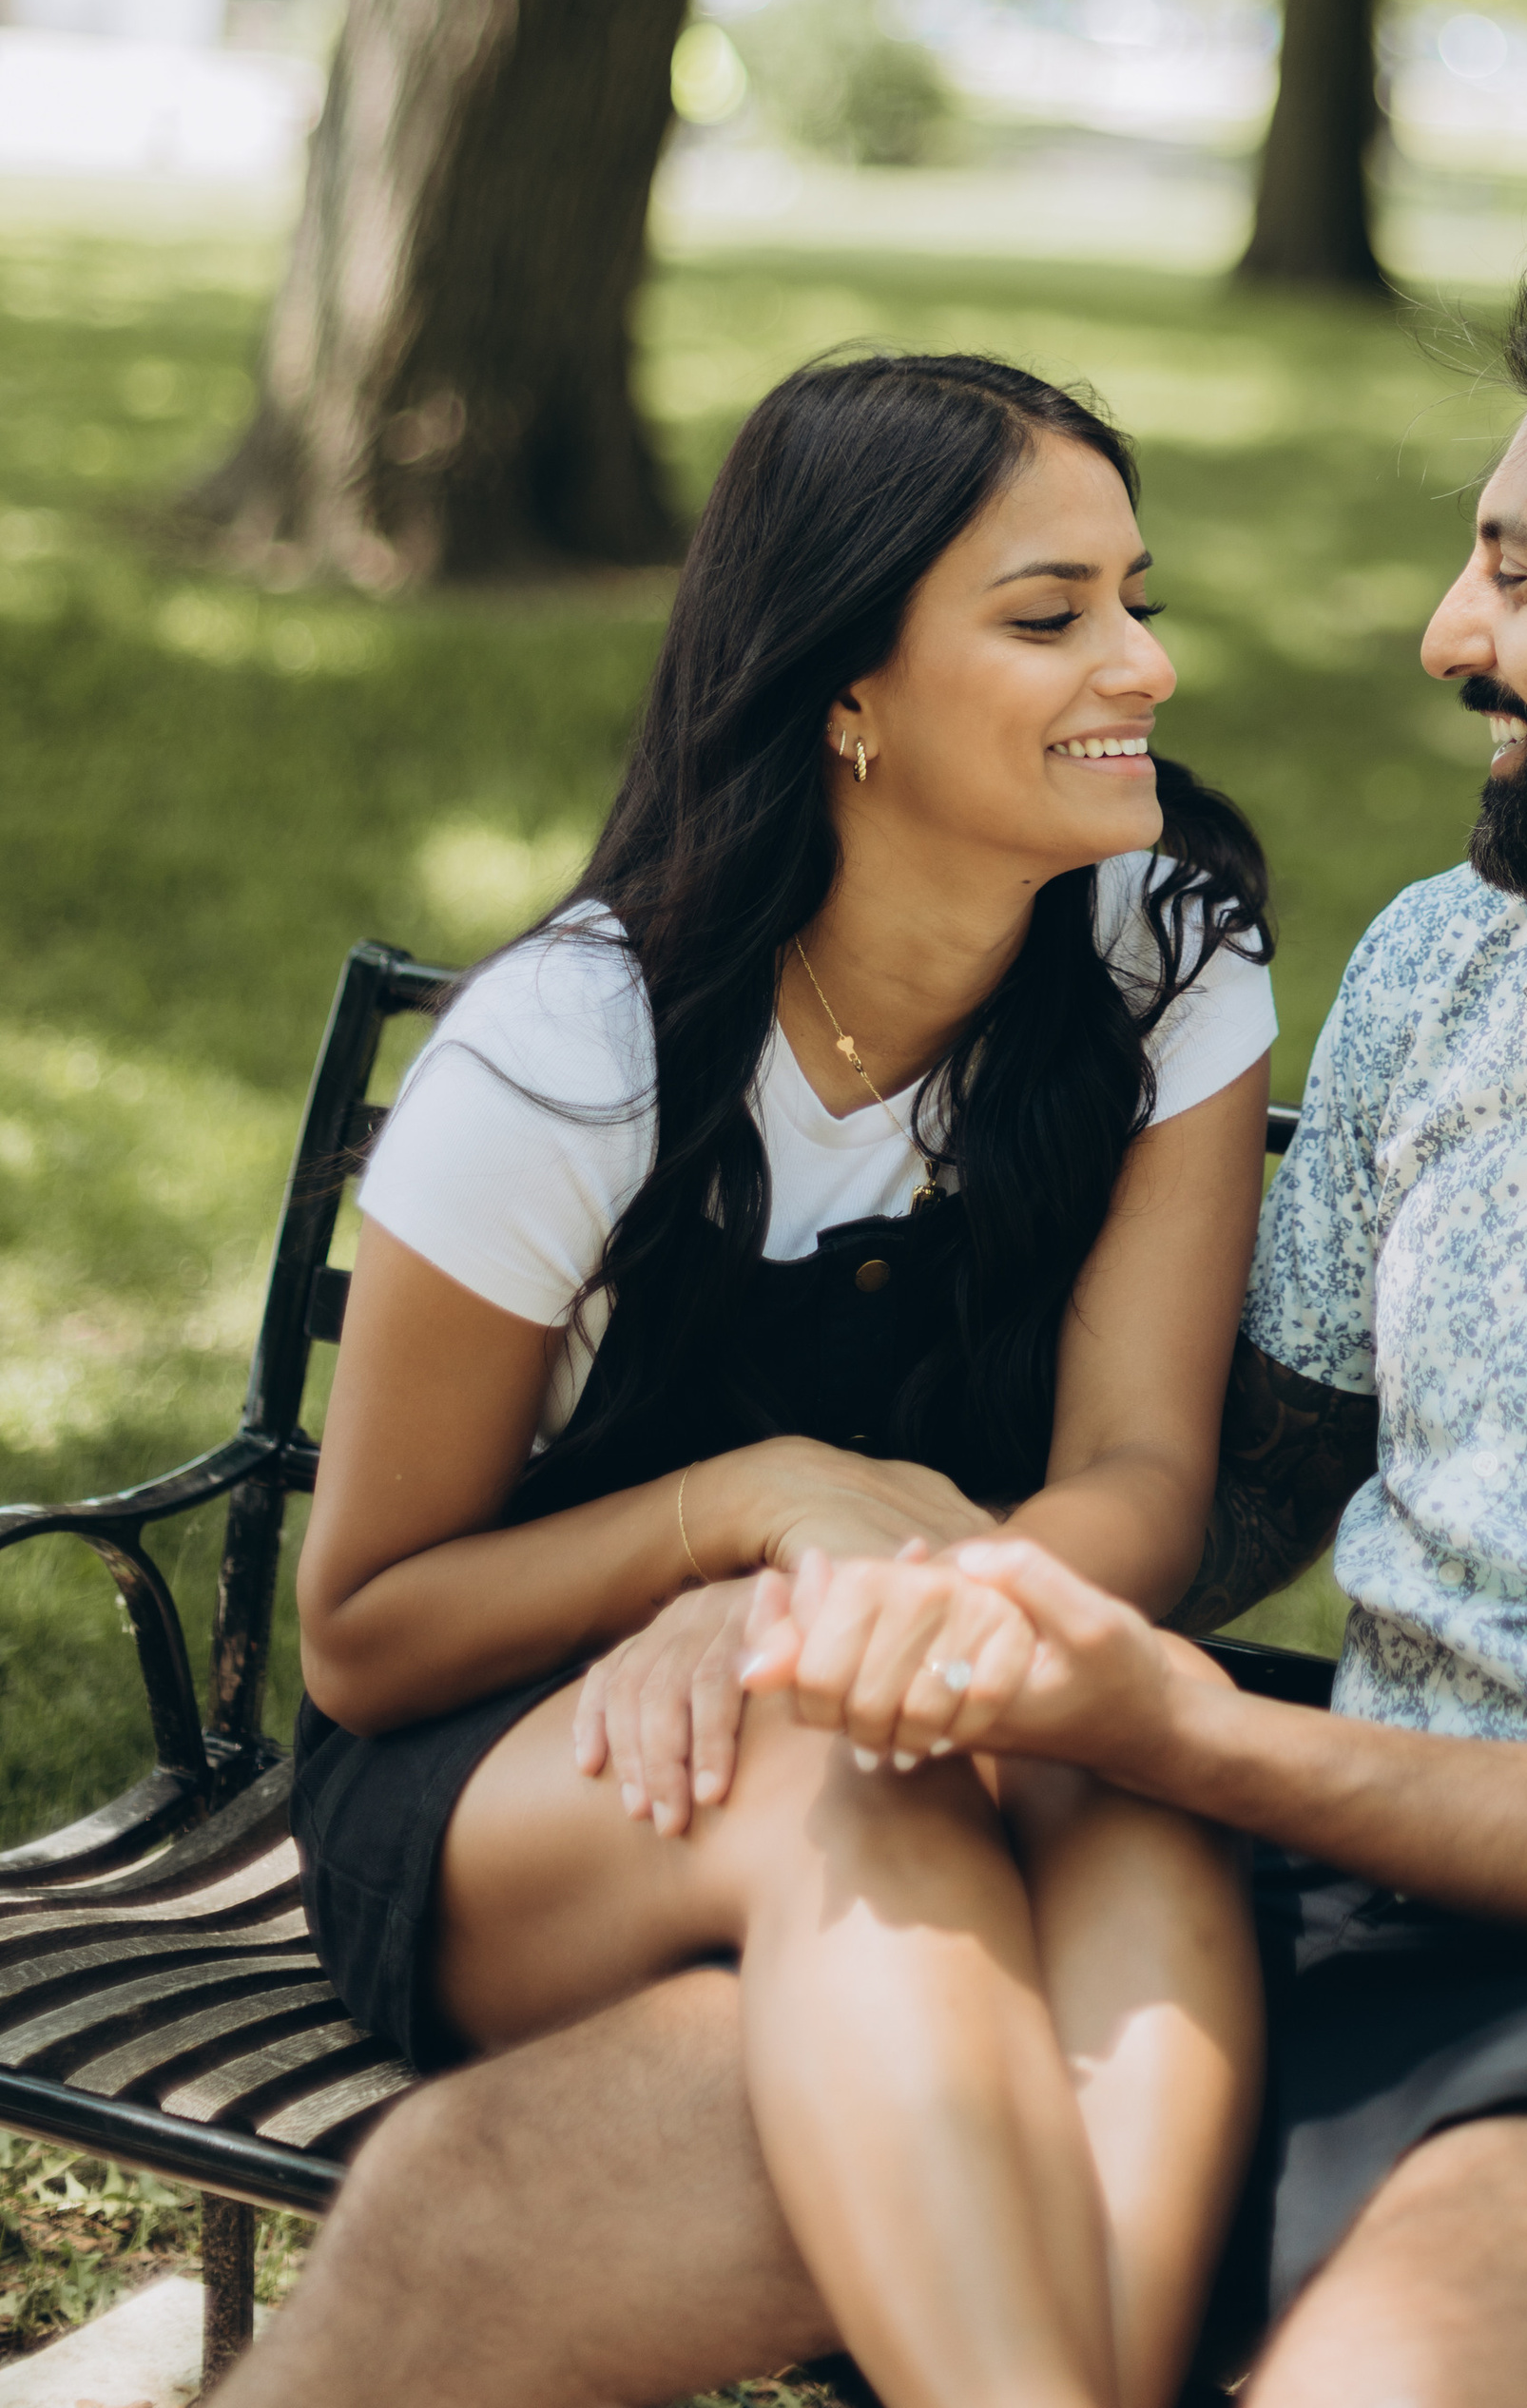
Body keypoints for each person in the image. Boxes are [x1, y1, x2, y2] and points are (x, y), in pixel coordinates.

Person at [222, 240, 1527, 2408]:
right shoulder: (1450, 976)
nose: (1445, 635)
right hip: (1336, 1905)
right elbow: (1221, 1491)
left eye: (1517, 576)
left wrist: (1175, 1736)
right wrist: (793, 1615)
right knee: (479, 2214)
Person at [284, 350, 1280, 2408]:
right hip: (520, 1772)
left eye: (1137, 595)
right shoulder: (575, 1052)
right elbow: (368, 1635)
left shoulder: (1162, 957)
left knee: (1141, 1796)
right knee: (846, 1770)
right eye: (1050, 616)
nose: (1145, 665)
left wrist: (838, 1620)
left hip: (953, 1677)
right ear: (846, 694)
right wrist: (735, 1520)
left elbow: (1138, 1481)